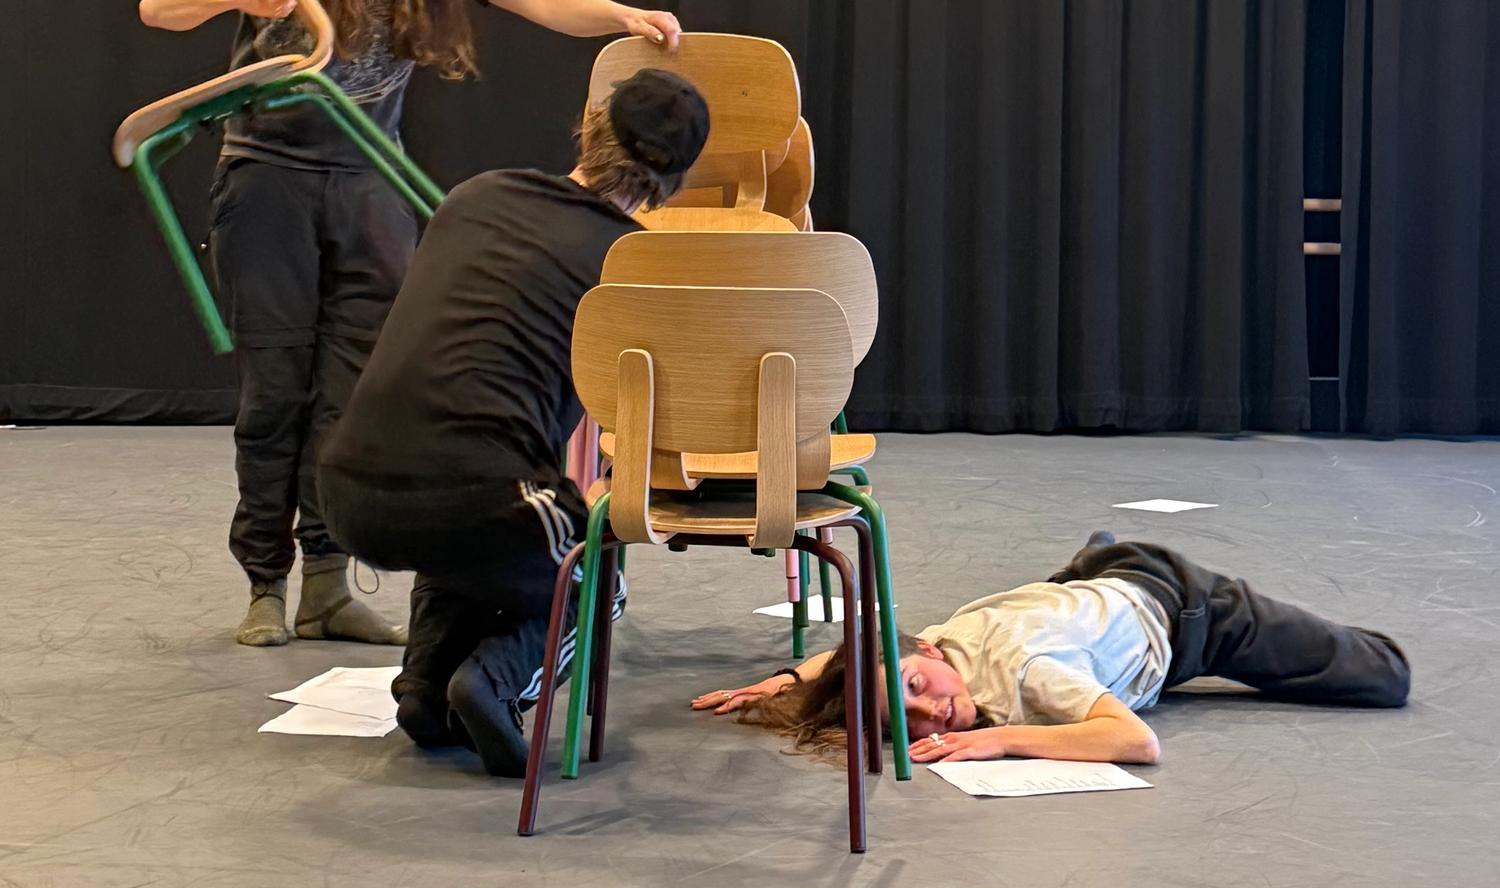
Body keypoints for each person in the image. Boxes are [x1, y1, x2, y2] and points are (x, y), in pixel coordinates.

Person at [137, 0, 685, 648]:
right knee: (274, 395)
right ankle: (266, 582)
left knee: (347, 396)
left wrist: (622, 16)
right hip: (267, 180)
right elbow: (158, 10)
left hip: (369, 186)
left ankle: (326, 589)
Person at [314, 68, 709, 777]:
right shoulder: (631, 265)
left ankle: (424, 691)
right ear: (673, 181)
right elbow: (655, 416)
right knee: (593, 576)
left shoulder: (477, 194)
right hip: (474, 492)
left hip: (347, 487)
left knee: (476, 539)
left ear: (589, 128)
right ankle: (494, 681)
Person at [693, 532, 1411, 764]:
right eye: (904, 721)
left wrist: (1001, 739)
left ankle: (1114, 567)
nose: (930, 713)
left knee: (1384, 676)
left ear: (930, 659)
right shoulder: (932, 652)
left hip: (1187, 610)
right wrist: (786, 678)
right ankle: (1100, 558)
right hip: (1079, 588)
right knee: (1077, 608)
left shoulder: (1029, 676)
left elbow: (1136, 741)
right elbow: (867, 655)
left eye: (914, 689)